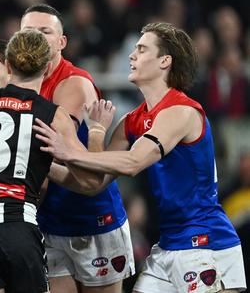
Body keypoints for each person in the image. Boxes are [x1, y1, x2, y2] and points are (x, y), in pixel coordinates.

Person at [34, 22, 247, 293]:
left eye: (142, 49)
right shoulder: (130, 121)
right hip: (168, 243)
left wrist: (70, 152)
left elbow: (134, 162)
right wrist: (45, 161)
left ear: (165, 61)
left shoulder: (181, 111)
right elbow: (93, 184)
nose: (131, 56)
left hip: (205, 241)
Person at [0, 29, 92, 293]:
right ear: (47, 68)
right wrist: (98, 133)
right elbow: (91, 182)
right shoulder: (55, 116)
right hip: (19, 227)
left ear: (9, 65)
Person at [21, 4, 132, 293]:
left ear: (62, 42)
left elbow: (59, 156)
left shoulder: (72, 83)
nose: (36, 38)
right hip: (49, 221)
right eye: (28, 32)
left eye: (45, 32)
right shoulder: (17, 80)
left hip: (92, 218)